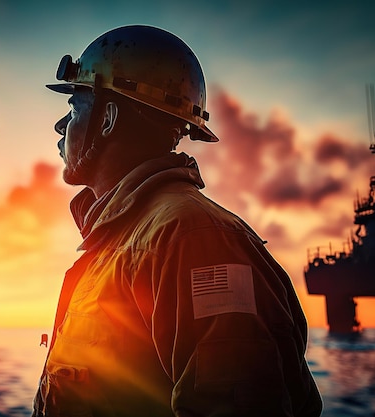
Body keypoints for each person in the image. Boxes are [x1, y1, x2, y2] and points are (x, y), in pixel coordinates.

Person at [33, 25, 323, 417]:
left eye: (74, 108)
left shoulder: (193, 240)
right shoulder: (124, 241)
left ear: (107, 118)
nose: (60, 126)